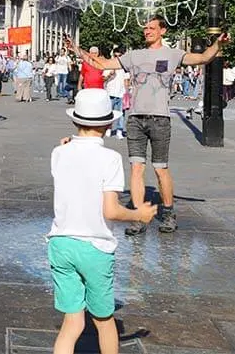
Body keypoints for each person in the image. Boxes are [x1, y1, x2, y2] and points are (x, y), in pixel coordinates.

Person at [65, 16, 229, 235]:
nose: (147, 31)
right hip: (135, 118)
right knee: (136, 168)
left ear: (162, 31)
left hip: (160, 118)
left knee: (160, 168)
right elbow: (101, 64)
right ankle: (138, 216)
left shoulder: (172, 54)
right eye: (146, 28)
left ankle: (169, 213)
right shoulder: (134, 55)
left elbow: (203, 58)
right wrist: (76, 49)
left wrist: (218, 44)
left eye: (152, 28)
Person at [48, 89, 157, 354]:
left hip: (60, 243)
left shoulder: (58, 152)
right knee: (104, 321)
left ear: (75, 120)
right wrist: (138, 214)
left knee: (72, 322)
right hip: (94, 247)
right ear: (109, 124)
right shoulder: (110, 159)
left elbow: (71, 159)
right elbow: (111, 211)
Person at [102, 47, 128, 139]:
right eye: (115, 55)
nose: (117, 57)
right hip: (110, 92)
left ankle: (119, 130)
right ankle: (109, 129)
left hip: (121, 93)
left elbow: (127, 80)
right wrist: (110, 75)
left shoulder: (125, 67)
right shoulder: (109, 65)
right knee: (109, 112)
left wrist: (127, 92)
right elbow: (103, 78)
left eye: (119, 56)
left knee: (121, 113)